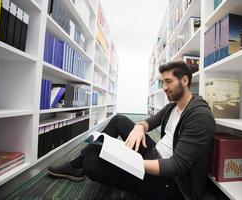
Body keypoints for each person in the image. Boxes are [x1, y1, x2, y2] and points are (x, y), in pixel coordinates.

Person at [48, 61, 215, 200]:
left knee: (92, 159)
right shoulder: (174, 106)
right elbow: (150, 121)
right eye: (162, 82)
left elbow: (175, 166)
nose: (164, 87)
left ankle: (79, 166)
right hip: (155, 154)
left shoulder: (200, 116)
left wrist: (130, 162)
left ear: (184, 81)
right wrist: (140, 126)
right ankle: (76, 167)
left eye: (168, 81)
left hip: (172, 183)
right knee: (118, 120)